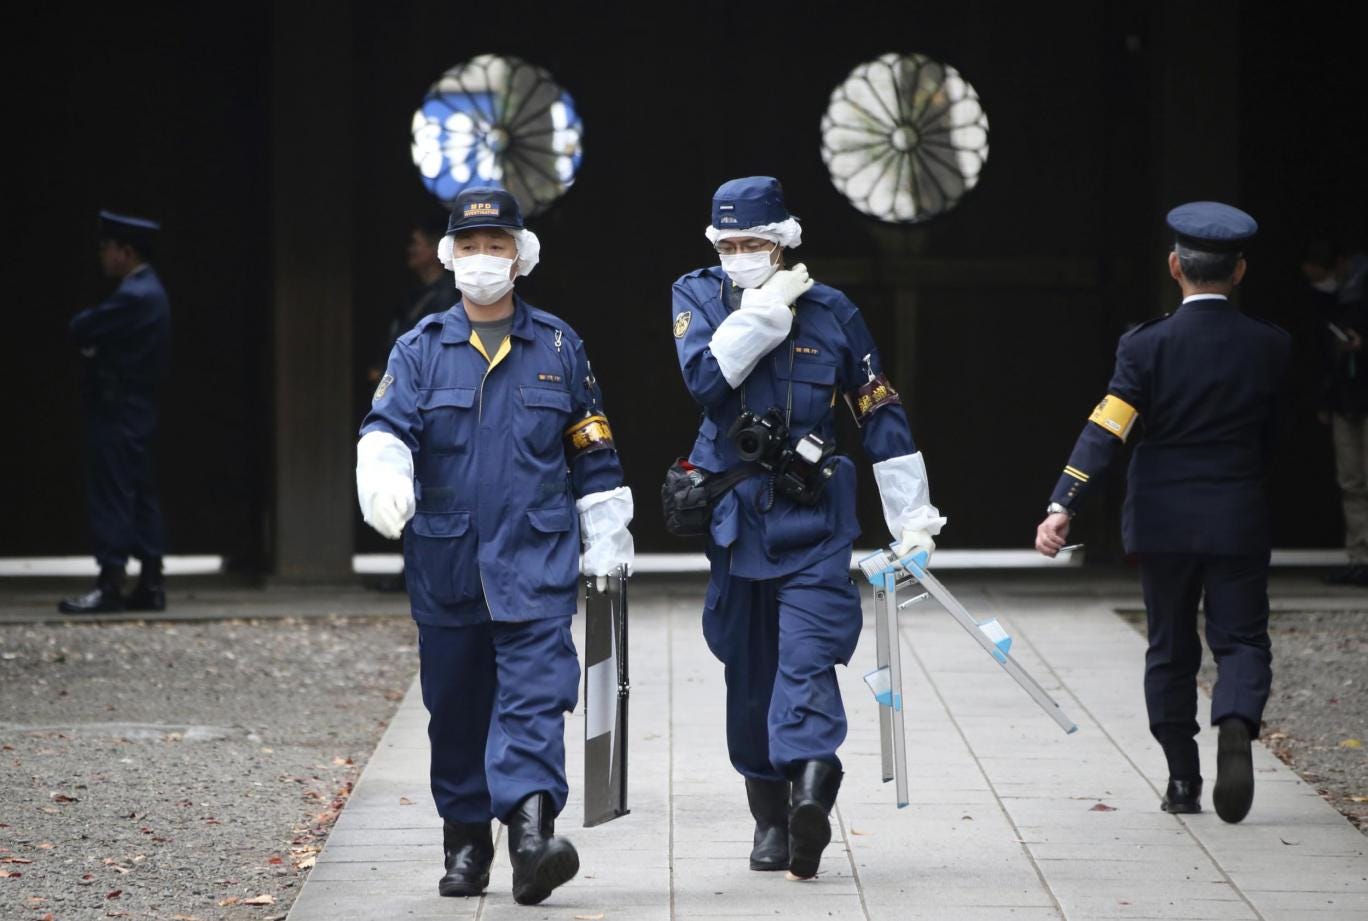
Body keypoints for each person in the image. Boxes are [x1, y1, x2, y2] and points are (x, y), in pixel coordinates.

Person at [355, 187, 633, 905]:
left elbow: (592, 450)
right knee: (457, 712)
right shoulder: (418, 350)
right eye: (471, 246)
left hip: (535, 562)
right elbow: (384, 426)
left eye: (497, 245)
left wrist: (606, 534)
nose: (484, 258)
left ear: (521, 256)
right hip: (448, 565)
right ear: (451, 256)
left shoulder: (561, 346)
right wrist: (384, 475)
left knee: (537, 697)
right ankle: (466, 840)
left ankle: (533, 836)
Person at [670, 176, 945, 880]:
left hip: (814, 519)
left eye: (754, 243)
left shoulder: (833, 312)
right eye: (728, 244)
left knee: (809, 653)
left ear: (785, 240)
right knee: (749, 672)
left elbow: (878, 408)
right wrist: (761, 313)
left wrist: (912, 516)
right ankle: (769, 817)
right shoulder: (696, 296)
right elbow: (705, 381)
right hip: (734, 522)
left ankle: (813, 791)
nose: (740, 255)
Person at [1035, 202, 1289, 824]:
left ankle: (1182, 778)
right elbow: (1277, 441)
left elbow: (1108, 429)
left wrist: (1064, 501)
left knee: (1170, 647)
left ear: (1174, 266)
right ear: (1240, 271)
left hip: (1162, 520)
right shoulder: (1271, 345)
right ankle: (1235, 721)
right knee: (1242, 638)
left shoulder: (1145, 345)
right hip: (1236, 513)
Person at [60, 211, 172, 614]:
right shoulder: (150, 291)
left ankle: (110, 583)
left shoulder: (134, 294)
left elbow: (82, 327)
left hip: (118, 408)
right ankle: (151, 582)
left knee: (113, 493)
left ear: (125, 251)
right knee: (140, 493)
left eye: (108, 247)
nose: (102, 255)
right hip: (137, 408)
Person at [1301, 239, 1368, 584]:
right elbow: (1321, 354)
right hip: (1345, 399)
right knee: (1351, 481)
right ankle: (1360, 555)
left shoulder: (1359, 289)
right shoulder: (1329, 301)